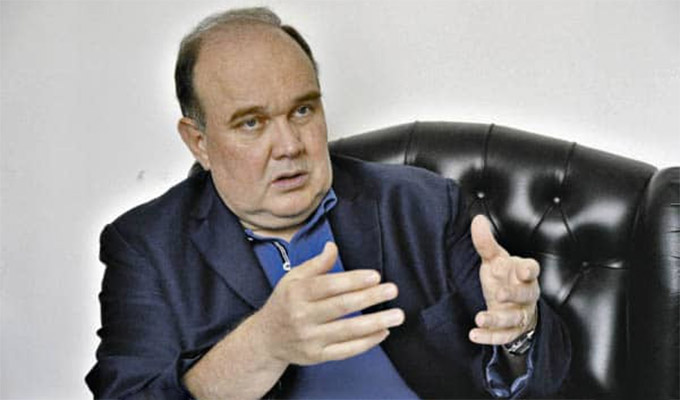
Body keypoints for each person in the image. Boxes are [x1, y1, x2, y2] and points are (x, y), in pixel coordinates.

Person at [86, 7, 570, 399]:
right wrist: (263, 345)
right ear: (199, 142)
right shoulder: (147, 246)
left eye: (302, 110)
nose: (289, 145)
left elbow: (545, 380)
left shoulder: (422, 206)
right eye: (251, 122)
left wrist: (521, 331)